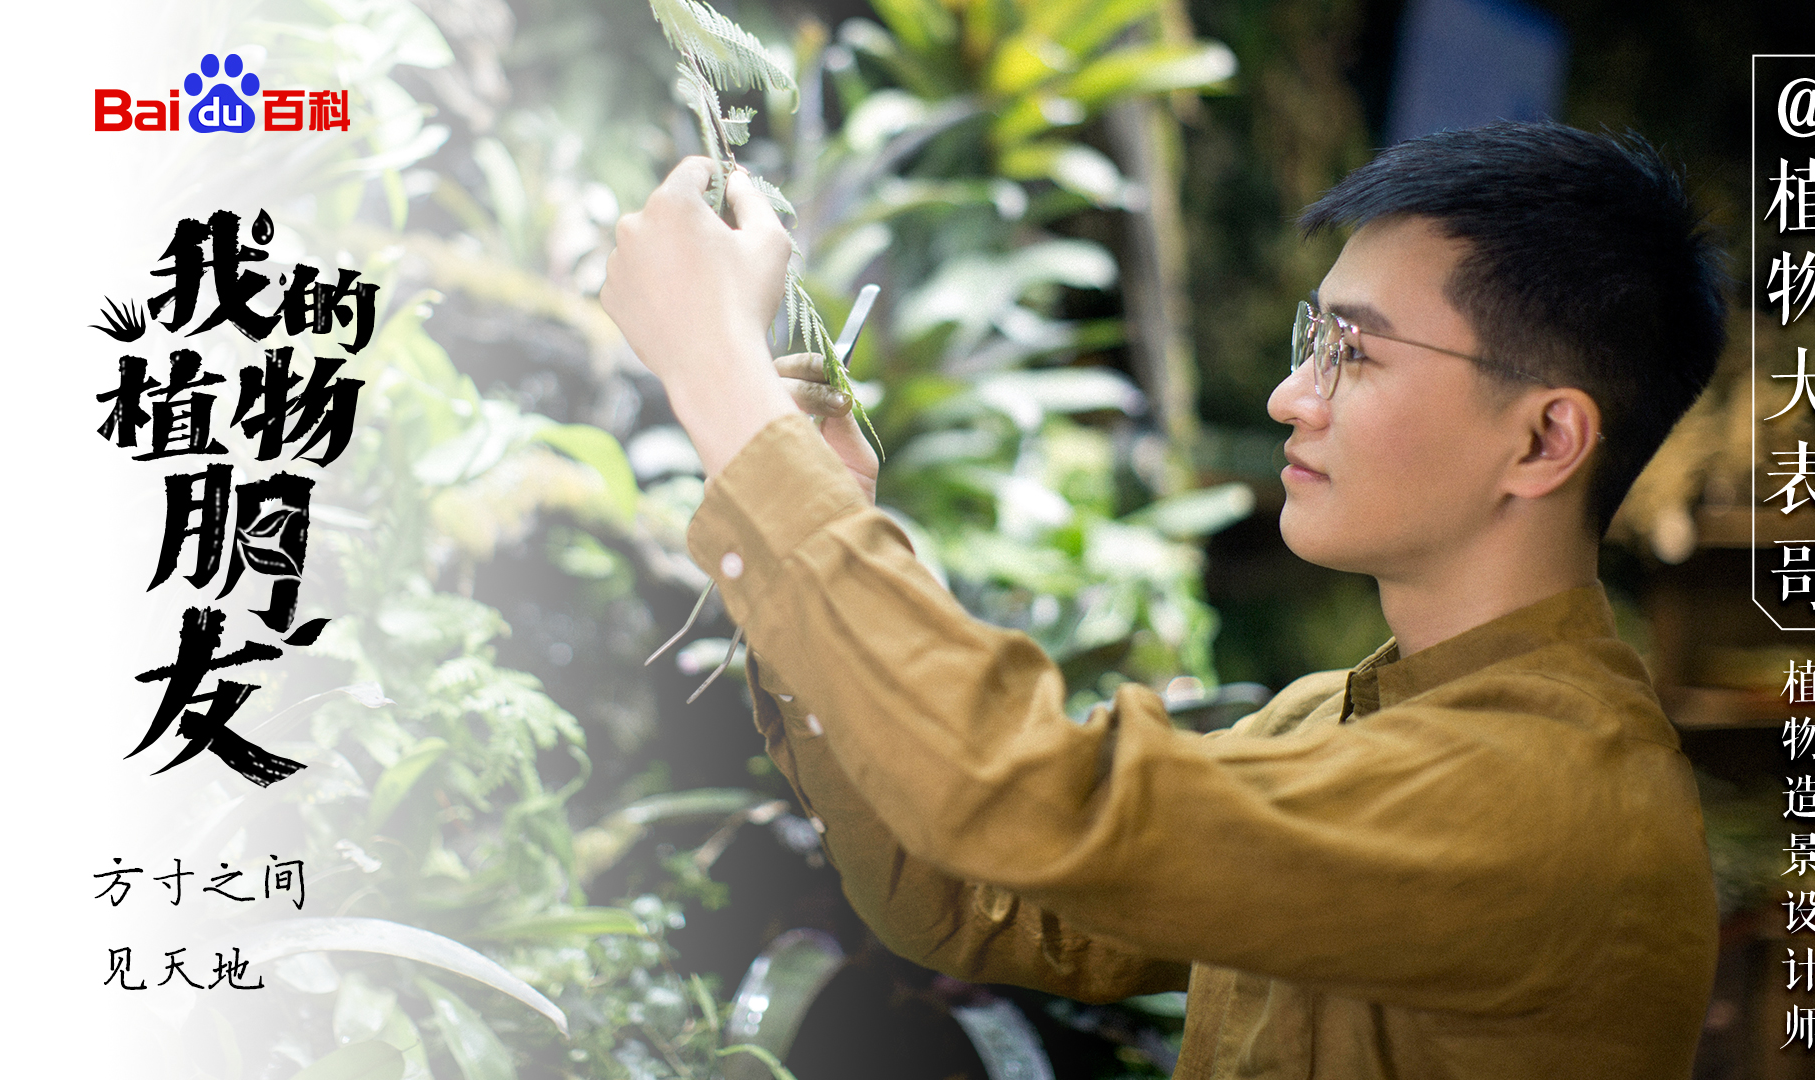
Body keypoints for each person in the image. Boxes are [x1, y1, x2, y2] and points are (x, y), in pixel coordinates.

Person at [598, 120, 1728, 1079]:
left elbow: (1024, 795)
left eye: (1356, 353)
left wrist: (720, 373)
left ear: (1545, 439)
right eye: (1311, 338)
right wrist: (822, 499)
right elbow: (975, 896)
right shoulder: (1327, 721)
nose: (1293, 395)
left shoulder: (1550, 799)